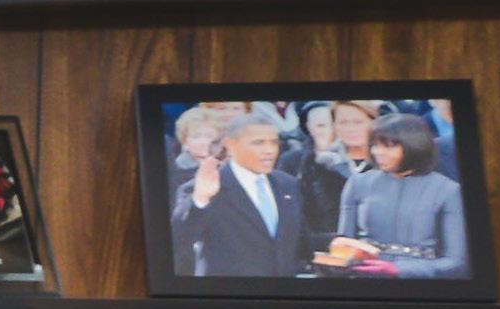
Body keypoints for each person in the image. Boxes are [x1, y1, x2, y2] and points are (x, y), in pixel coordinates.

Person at [319, 113, 468, 279]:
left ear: (414, 145)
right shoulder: (358, 183)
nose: (377, 152)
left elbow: (456, 261)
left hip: (420, 283)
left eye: (388, 146)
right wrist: (337, 261)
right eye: (374, 145)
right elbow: (344, 243)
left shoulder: (447, 190)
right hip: (365, 279)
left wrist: (399, 270)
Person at [172, 107, 312, 277]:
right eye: (258, 143)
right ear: (231, 145)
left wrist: (336, 242)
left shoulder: (287, 184)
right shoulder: (204, 187)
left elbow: (301, 242)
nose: (269, 150)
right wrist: (200, 199)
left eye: (274, 142)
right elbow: (178, 242)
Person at [294, 102, 348, 252]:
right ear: (308, 127)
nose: (329, 131)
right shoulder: (293, 160)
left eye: (333, 124)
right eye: (320, 125)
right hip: (310, 242)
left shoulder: (357, 162)